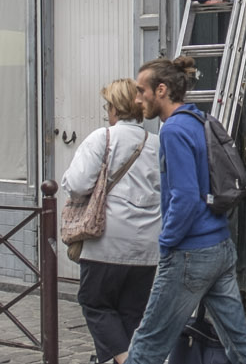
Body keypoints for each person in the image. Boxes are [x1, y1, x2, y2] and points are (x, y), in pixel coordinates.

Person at [121, 57, 246, 364]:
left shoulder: (173, 130)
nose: (137, 99)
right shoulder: (198, 120)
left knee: (148, 342)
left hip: (189, 253)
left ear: (161, 90)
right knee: (239, 340)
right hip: (218, 245)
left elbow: (186, 197)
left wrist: (167, 241)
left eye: (141, 90)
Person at [62, 79, 162, 364]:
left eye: (108, 106)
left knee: (95, 303)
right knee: (131, 313)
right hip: (146, 246)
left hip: (107, 241)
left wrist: (68, 180)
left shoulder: (102, 138)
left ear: (115, 109)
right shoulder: (156, 143)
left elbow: (78, 184)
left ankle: (127, 361)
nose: (107, 112)